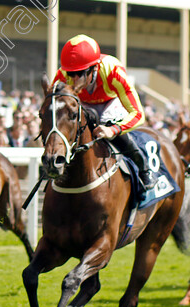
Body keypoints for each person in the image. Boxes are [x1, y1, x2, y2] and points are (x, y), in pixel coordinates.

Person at [52, 34, 156, 190]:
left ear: (94, 68)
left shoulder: (113, 71)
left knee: (108, 123)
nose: (73, 79)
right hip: (83, 104)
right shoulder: (61, 76)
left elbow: (138, 114)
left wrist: (113, 129)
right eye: (70, 73)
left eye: (79, 73)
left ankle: (144, 169)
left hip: (111, 102)